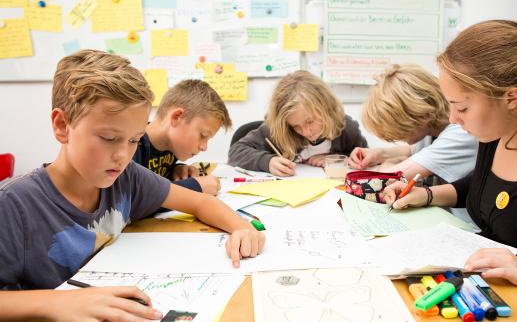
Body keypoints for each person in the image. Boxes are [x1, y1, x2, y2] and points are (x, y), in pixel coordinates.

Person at [0, 50, 265, 321]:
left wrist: (241, 228)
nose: (123, 155)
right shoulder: (13, 204)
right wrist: (56, 303)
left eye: (134, 140)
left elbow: (199, 201)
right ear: (62, 125)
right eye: (109, 137)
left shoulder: (127, 177)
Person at [382, 20, 517, 318]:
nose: (453, 118)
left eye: (462, 107)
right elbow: (482, 187)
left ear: (511, 98)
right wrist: (427, 195)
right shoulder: (496, 137)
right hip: (484, 295)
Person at [348, 64, 477, 184]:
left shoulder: (461, 133)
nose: (394, 136)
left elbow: (388, 178)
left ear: (420, 114)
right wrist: (379, 153)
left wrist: (389, 163)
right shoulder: (431, 128)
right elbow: (412, 150)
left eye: (399, 130)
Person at [228, 70, 368, 177]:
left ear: (326, 108)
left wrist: (336, 160)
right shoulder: (277, 130)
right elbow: (235, 152)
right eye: (295, 126)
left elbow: (363, 157)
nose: (306, 132)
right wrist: (267, 162)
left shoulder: (346, 128)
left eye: (310, 121)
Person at [133, 79, 230, 196]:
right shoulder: (133, 144)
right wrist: (194, 187)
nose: (204, 147)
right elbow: (134, 199)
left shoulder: (172, 147)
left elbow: (154, 182)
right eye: (203, 135)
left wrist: (176, 170)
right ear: (177, 117)